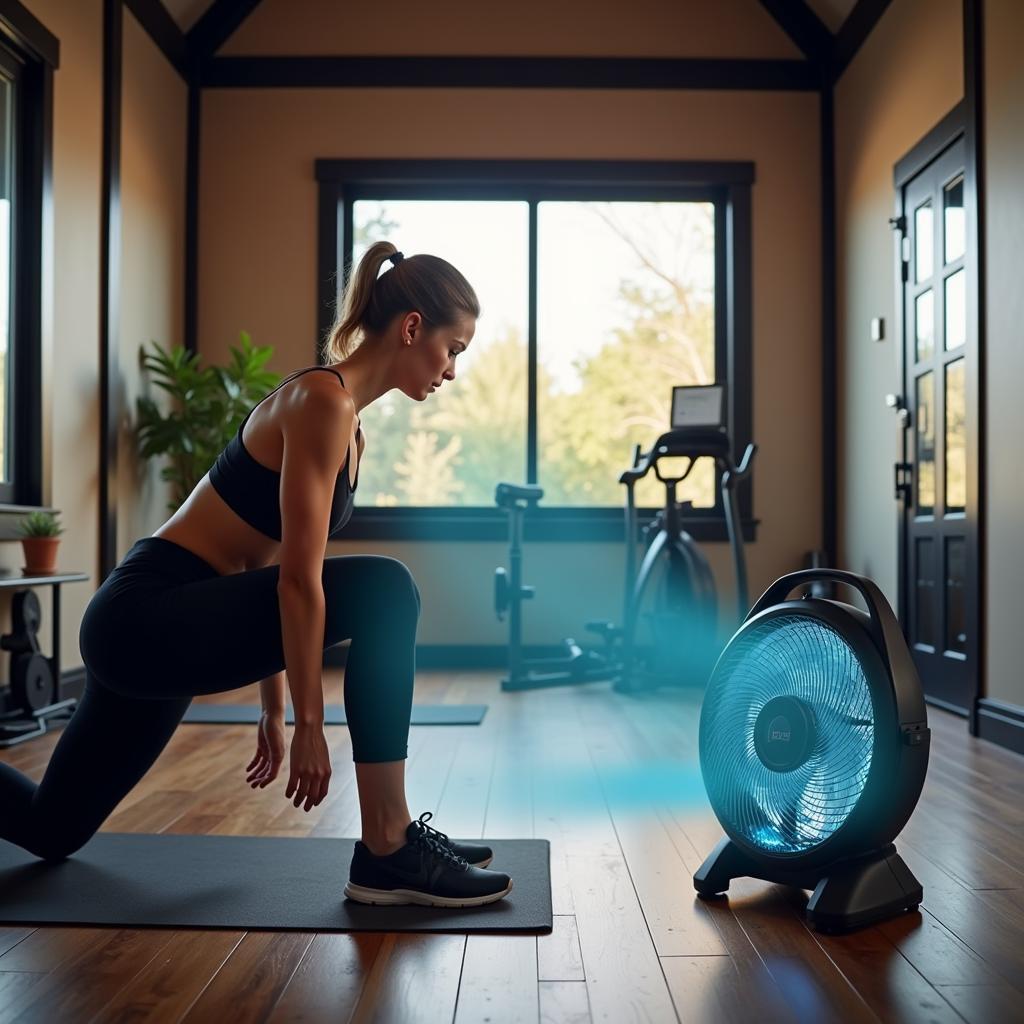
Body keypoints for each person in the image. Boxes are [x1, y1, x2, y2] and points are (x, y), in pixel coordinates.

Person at [0, 241, 513, 909]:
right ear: (413, 328)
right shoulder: (320, 403)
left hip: (170, 624)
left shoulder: (348, 424)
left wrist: (271, 710)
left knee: (53, 829)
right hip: (147, 613)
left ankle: (392, 839)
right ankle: (387, 844)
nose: (452, 370)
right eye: (454, 348)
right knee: (387, 588)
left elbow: (259, 565)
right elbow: (297, 584)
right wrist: (306, 722)